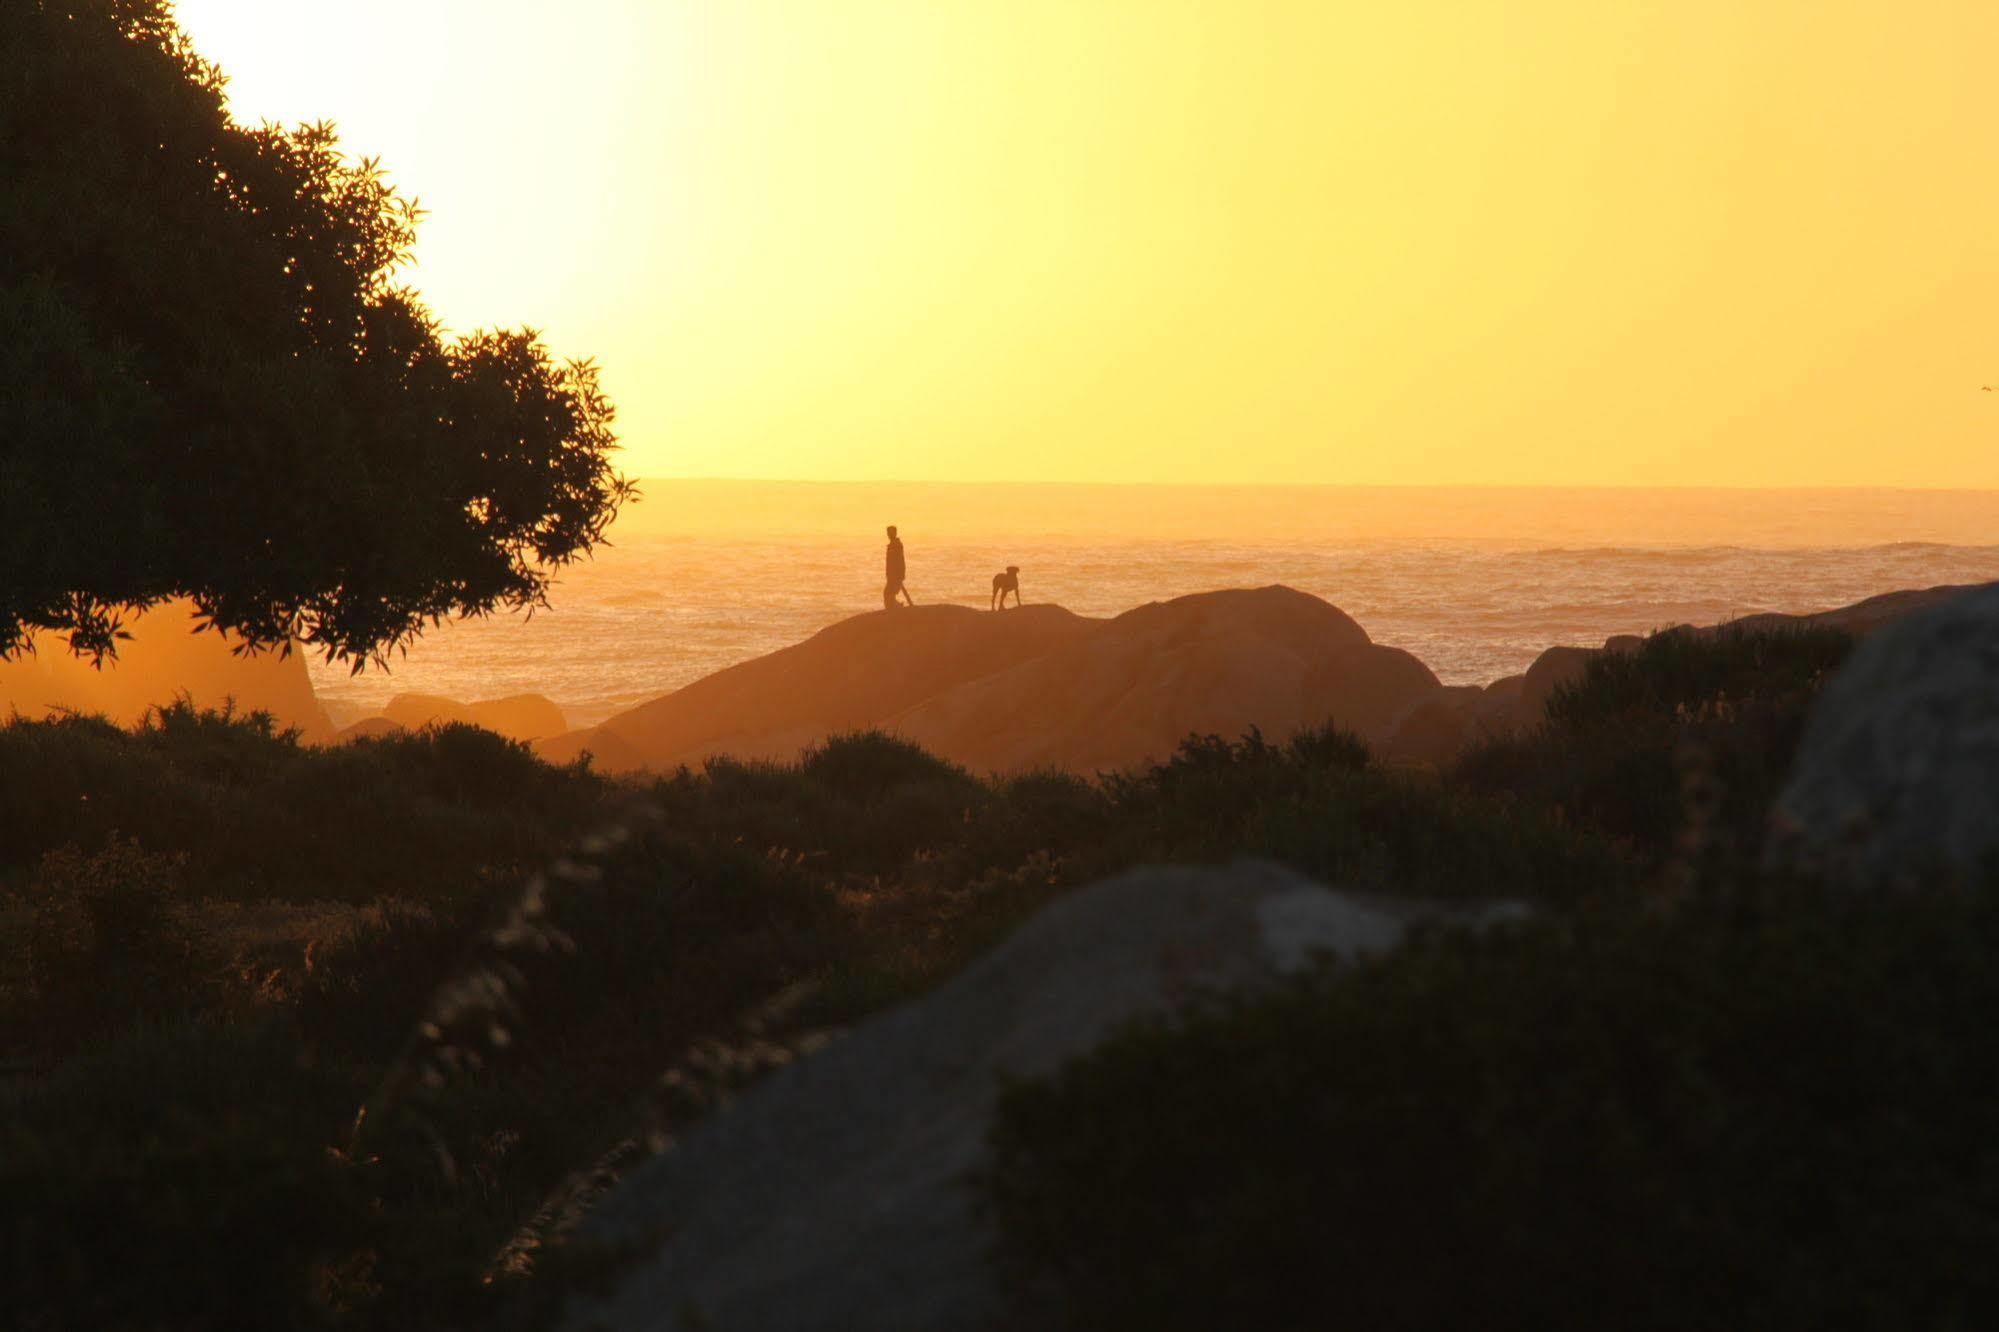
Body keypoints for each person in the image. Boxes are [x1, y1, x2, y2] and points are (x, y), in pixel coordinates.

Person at [884, 525, 913, 609]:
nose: (888, 534)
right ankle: (896, 607)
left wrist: (899, 575)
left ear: (895, 533)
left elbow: (899, 561)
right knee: (888, 593)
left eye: (890, 532)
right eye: (888, 532)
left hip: (895, 575)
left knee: (889, 593)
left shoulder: (896, 545)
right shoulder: (892, 545)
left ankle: (897, 608)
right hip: (892, 575)